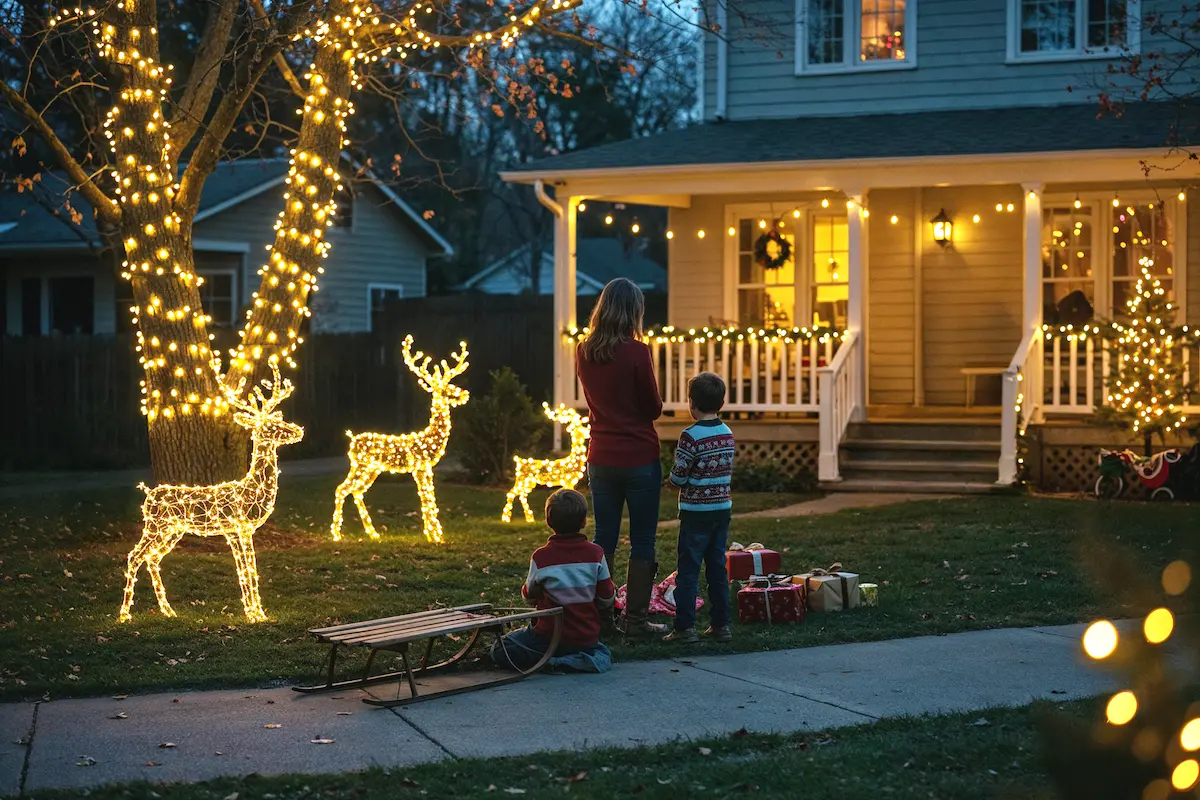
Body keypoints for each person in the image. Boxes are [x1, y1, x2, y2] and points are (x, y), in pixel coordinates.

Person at [576, 277, 667, 639]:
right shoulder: (637, 352)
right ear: (633, 311)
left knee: (604, 538)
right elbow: (653, 407)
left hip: (601, 455)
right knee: (643, 539)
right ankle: (637, 621)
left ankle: (602, 619)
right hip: (639, 457)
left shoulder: (584, 351)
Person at [489, 489, 613, 673]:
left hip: (547, 637)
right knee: (600, 653)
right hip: (586, 637)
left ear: (548, 521)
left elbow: (529, 597)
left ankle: (548, 660)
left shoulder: (541, 557)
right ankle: (577, 659)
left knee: (500, 649)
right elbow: (607, 598)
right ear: (584, 520)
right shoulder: (596, 553)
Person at [664, 372, 734, 644]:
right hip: (721, 510)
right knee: (717, 567)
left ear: (691, 403)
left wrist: (671, 482)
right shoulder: (727, 433)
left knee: (689, 569)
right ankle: (721, 625)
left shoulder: (690, 436)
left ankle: (685, 627)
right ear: (722, 402)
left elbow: (680, 475)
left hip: (696, 513)